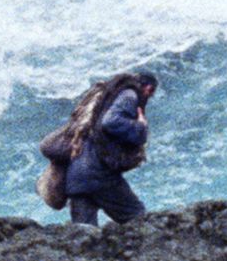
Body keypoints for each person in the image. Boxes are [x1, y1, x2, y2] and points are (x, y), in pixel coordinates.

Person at [64, 72, 158, 226]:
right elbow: (110, 122)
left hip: (77, 176)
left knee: (83, 235)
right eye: (151, 93)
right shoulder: (129, 95)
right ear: (148, 88)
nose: (149, 97)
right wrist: (140, 127)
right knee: (138, 218)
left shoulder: (104, 101)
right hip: (99, 175)